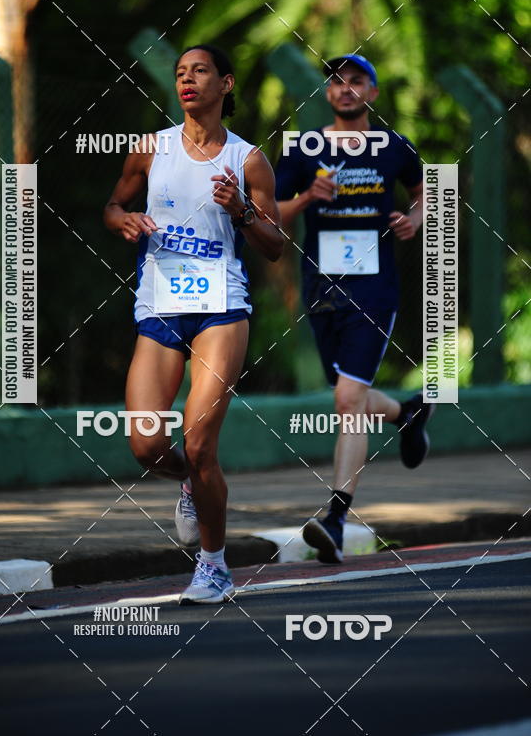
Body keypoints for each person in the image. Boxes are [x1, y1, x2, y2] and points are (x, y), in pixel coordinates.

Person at [104, 44, 283, 601]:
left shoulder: (248, 159)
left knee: (200, 441)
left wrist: (243, 212)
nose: (187, 79)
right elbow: (112, 205)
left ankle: (214, 565)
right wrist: (124, 219)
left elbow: (276, 246)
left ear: (225, 84)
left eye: (200, 71)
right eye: (181, 72)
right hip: (159, 306)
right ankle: (187, 480)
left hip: (220, 308)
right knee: (145, 445)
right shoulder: (149, 149)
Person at [275, 53, 433, 563]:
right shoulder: (305, 148)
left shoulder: (393, 147)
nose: (346, 89)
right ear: (327, 93)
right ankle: (407, 414)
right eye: (337, 82)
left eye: (357, 81)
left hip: (374, 287)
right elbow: (266, 211)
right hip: (322, 288)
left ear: (373, 93)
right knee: (346, 392)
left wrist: (414, 220)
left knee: (346, 400)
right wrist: (304, 200)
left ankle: (336, 519)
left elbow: (428, 191)